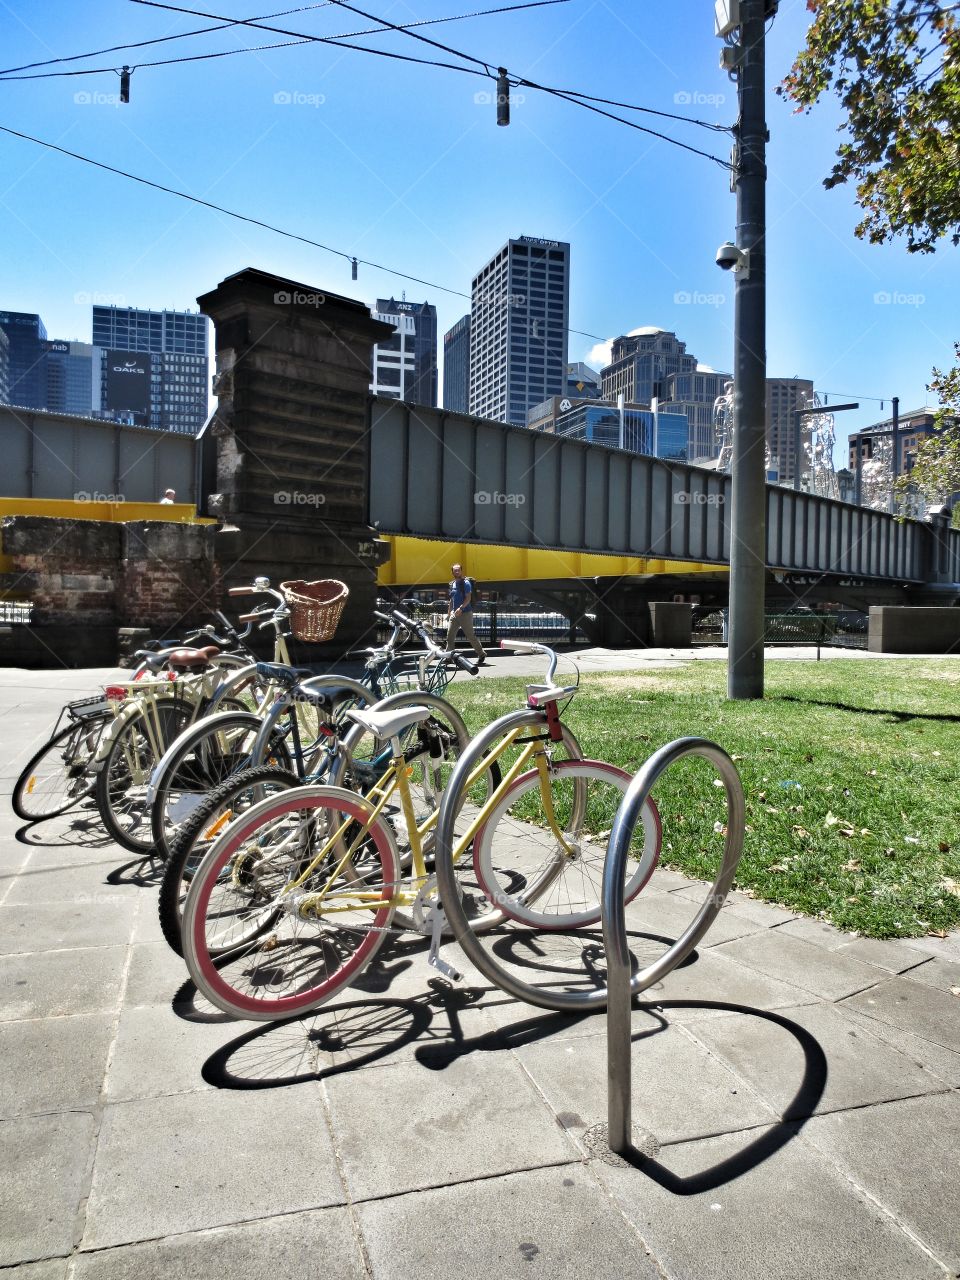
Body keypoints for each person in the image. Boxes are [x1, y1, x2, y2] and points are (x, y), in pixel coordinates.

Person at [446, 563, 486, 664]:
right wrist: (449, 612)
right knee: (449, 636)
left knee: (470, 636)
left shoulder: (466, 583)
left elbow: (468, 598)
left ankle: (481, 654)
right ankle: (449, 657)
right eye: (455, 570)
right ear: (452, 572)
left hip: (465, 613)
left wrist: (461, 608)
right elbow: (452, 599)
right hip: (454, 614)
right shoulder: (452, 584)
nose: (457, 572)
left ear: (461, 571)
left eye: (458, 570)